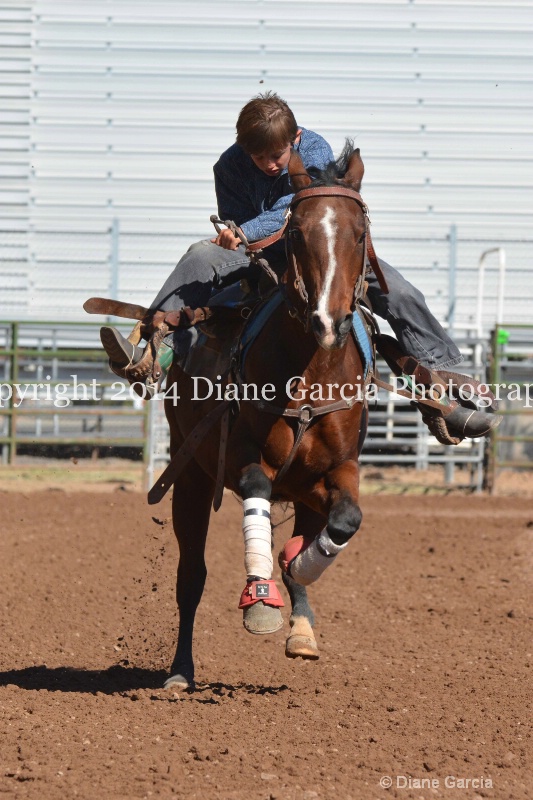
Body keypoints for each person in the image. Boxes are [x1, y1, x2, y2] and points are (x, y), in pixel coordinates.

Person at [99, 92, 500, 439]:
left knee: (401, 293)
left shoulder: (316, 150)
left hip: (321, 253)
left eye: (276, 155)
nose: (270, 165)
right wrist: (234, 236)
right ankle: (150, 348)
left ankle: (444, 375)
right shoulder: (228, 167)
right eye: (258, 157)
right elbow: (235, 223)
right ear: (243, 150)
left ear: (296, 138)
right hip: (259, 256)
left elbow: (300, 206)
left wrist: (243, 229)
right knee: (200, 255)